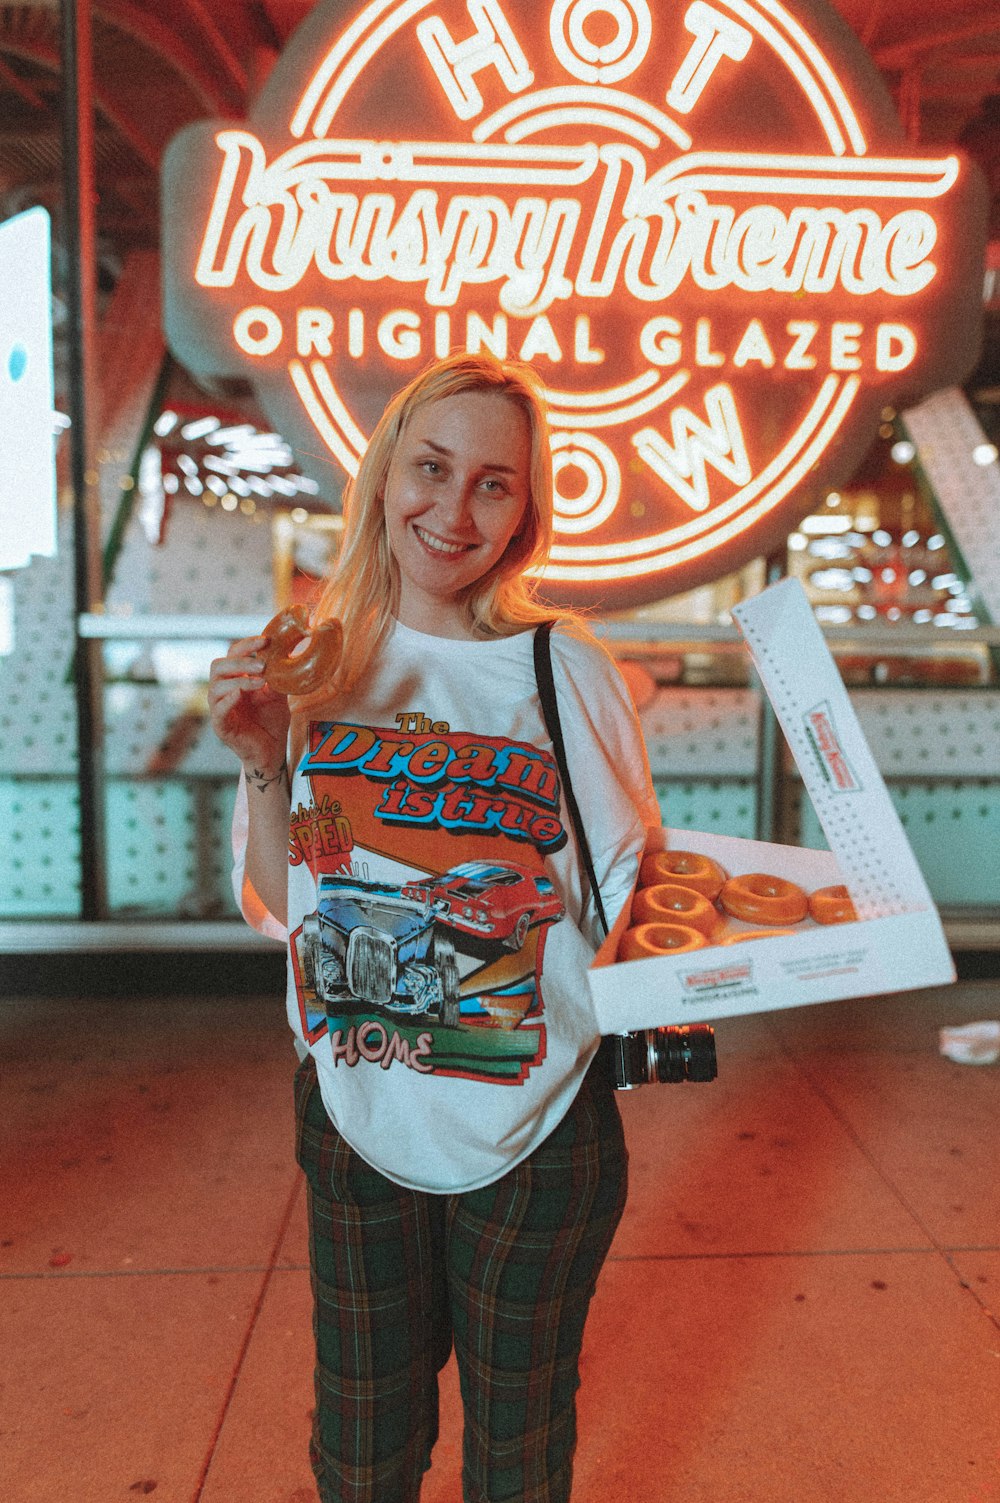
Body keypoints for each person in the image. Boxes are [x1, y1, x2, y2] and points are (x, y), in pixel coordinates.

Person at [208, 352, 660, 1503]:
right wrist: (267, 765)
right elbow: (284, 898)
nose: (453, 511)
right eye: (431, 467)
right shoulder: (318, 663)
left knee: (516, 1460)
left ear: (526, 509)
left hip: (541, 1124)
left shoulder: (566, 671)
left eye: (493, 483)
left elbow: (629, 893)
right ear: (384, 476)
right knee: (360, 1455)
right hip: (359, 1114)